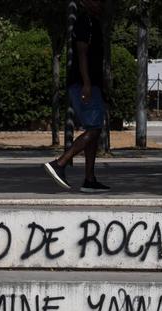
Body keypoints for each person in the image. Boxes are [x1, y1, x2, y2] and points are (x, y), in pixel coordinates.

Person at [43, 0, 110, 194]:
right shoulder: (85, 21)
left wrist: (101, 85)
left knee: (93, 129)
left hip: (92, 84)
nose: (99, 4)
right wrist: (87, 83)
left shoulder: (94, 22)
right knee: (95, 128)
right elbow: (81, 53)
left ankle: (89, 179)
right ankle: (59, 163)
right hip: (84, 84)